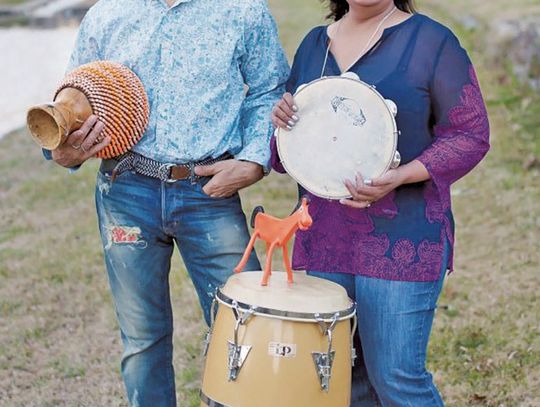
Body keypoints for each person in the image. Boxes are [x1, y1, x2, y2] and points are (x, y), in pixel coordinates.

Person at [44, 0, 289, 405]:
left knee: (244, 328)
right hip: (126, 191)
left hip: (210, 191)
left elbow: (268, 89)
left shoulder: (244, 10)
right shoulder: (107, 14)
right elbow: (70, 103)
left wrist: (254, 160)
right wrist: (63, 151)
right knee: (142, 339)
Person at [270, 0, 490, 406]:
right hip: (325, 238)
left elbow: (470, 134)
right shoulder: (314, 47)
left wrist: (403, 175)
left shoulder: (431, 42)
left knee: (396, 379)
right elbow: (290, 153)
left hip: (402, 240)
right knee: (339, 380)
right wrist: (282, 120)